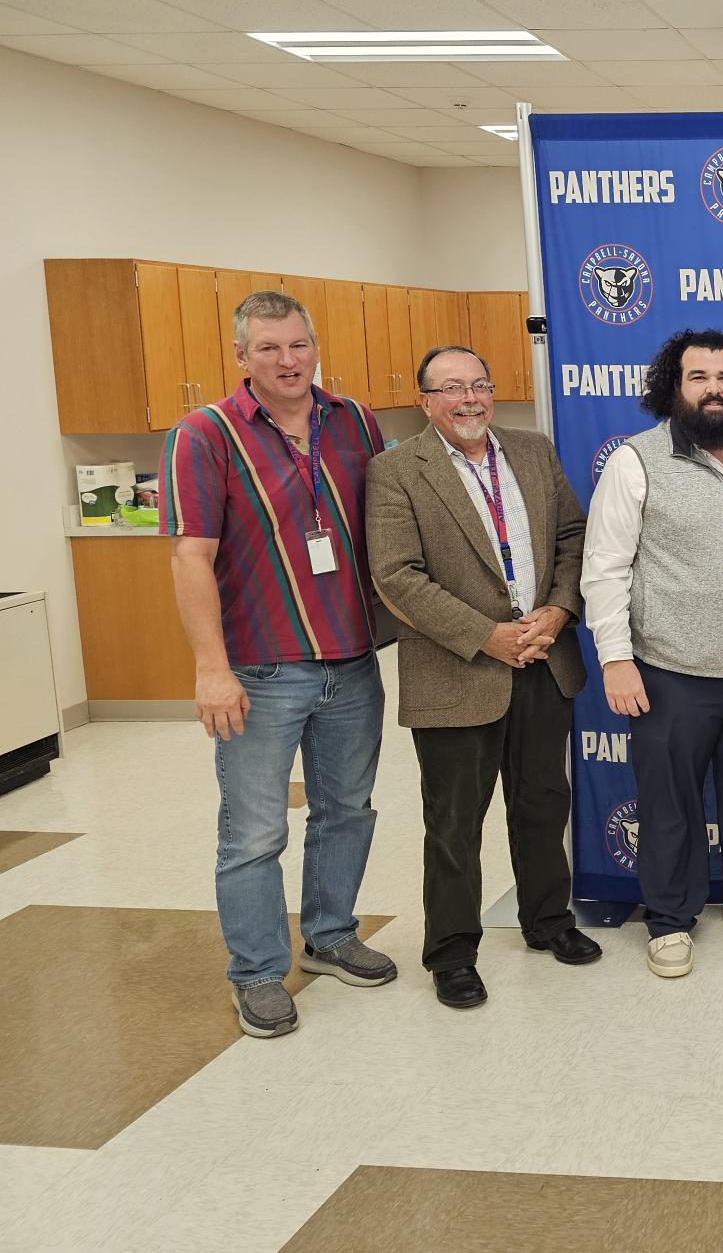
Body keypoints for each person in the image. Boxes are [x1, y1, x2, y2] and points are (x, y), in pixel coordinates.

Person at [162, 290, 397, 1039]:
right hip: (259, 670)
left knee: (347, 811)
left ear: (314, 345)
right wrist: (210, 668)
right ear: (241, 358)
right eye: (268, 349)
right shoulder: (205, 434)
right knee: (255, 832)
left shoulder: (355, 420)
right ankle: (259, 973)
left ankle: (329, 937)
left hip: (352, 661)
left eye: (297, 345)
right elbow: (190, 556)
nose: (287, 361)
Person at [366, 344, 602, 1010]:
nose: (469, 399)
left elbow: (572, 540)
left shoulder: (531, 451)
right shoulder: (395, 472)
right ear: (426, 401)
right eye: (451, 389)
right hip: (457, 672)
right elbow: (397, 576)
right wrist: (488, 637)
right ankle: (451, 954)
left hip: (543, 660)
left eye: (479, 384)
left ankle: (548, 921)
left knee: (541, 805)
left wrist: (556, 612)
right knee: (454, 823)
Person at [581, 330, 723, 980]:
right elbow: (605, 567)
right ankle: (670, 917)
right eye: (698, 377)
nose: (714, 388)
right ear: (673, 387)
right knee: (669, 802)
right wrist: (616, 658)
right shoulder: (638, 460)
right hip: (668, 666)